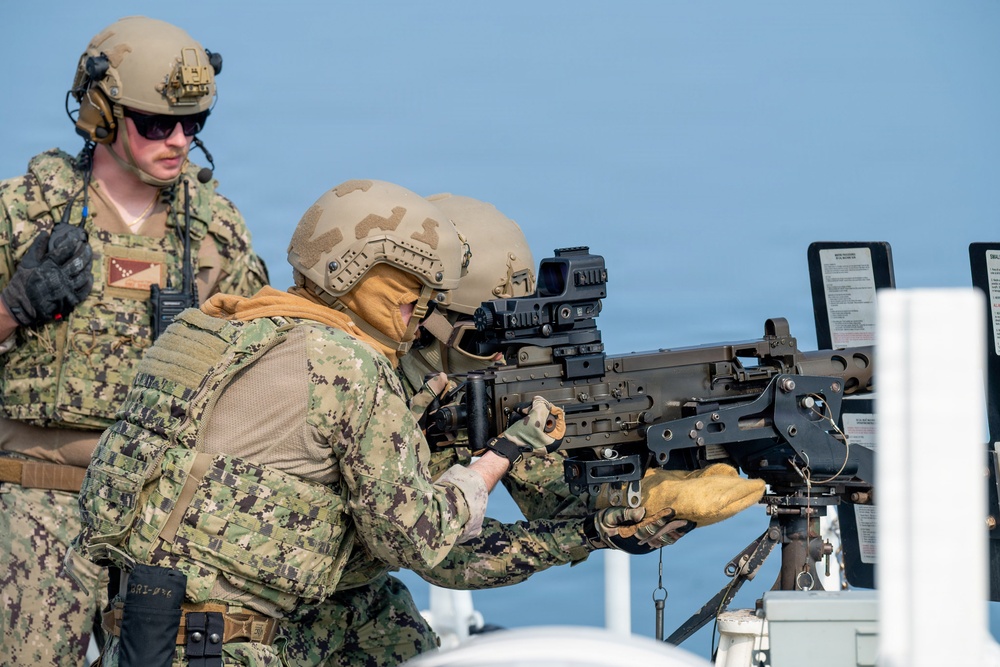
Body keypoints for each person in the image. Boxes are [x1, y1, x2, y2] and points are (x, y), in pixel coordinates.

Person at [69, 178, 588, 666]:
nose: (421, 302)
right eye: (413, 287)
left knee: (383, 615)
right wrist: (505, 452)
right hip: (225, 645)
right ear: (364, 277)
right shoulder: (346, 364)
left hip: (138, 630)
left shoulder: (215, 326)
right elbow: (416, 539)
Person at [280, 195, 762, 666]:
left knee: (400, 634)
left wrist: (641, 494)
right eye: (482, 340)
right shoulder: (343, 381)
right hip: (271, 600)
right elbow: (440, 552)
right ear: (419, 318)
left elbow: (551, 492)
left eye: (515, 341)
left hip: (356, 590)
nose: (500, 358)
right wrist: (591, 534)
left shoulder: (461, 385)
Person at [0, 16, 269, 666]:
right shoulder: (20, 214)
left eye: (193, 123)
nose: (178, 140)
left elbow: (259, 368)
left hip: (160, 504)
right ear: (101, 111)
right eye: (156, 123)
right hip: (39, 498)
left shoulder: (214, 232)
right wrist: (13, 307)